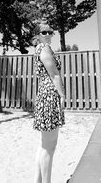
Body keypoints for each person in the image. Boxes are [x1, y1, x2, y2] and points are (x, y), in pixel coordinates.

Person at [33, 20, 65, 183]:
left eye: (50, 31)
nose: (47, 34)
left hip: (44, 95)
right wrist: (62, 95)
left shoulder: (40, 48)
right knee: (49, 146)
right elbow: (55, 75)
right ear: (38, 35)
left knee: (44, 145)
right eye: (43, 32)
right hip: (50, 96)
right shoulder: (44, 48)